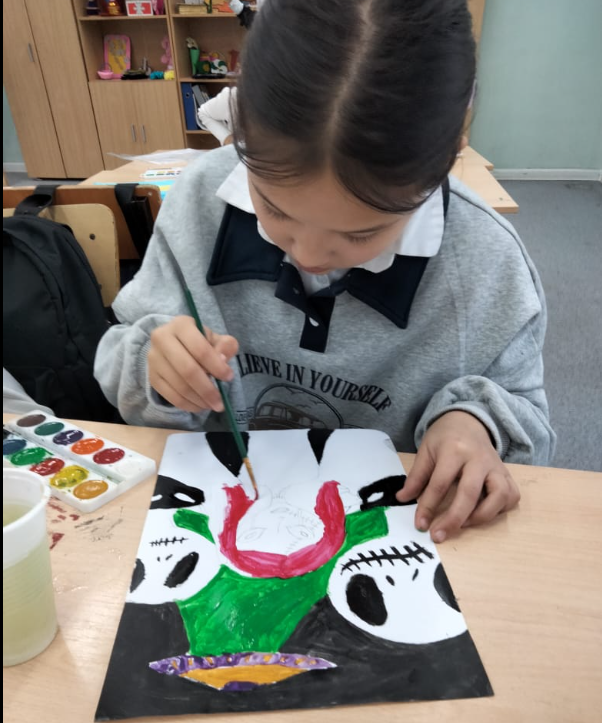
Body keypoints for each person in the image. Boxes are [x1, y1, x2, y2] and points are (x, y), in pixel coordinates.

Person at [94, 0, 556, 543]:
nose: (308, 255)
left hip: (392, 542)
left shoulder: (486, 266)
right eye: (275, 210)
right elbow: (117, 355)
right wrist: (153, 367)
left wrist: (477, 424)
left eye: (360, 234)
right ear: (241, 127)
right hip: (218, 522)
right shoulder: (199, 204)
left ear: (448, 155)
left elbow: (529, 427)